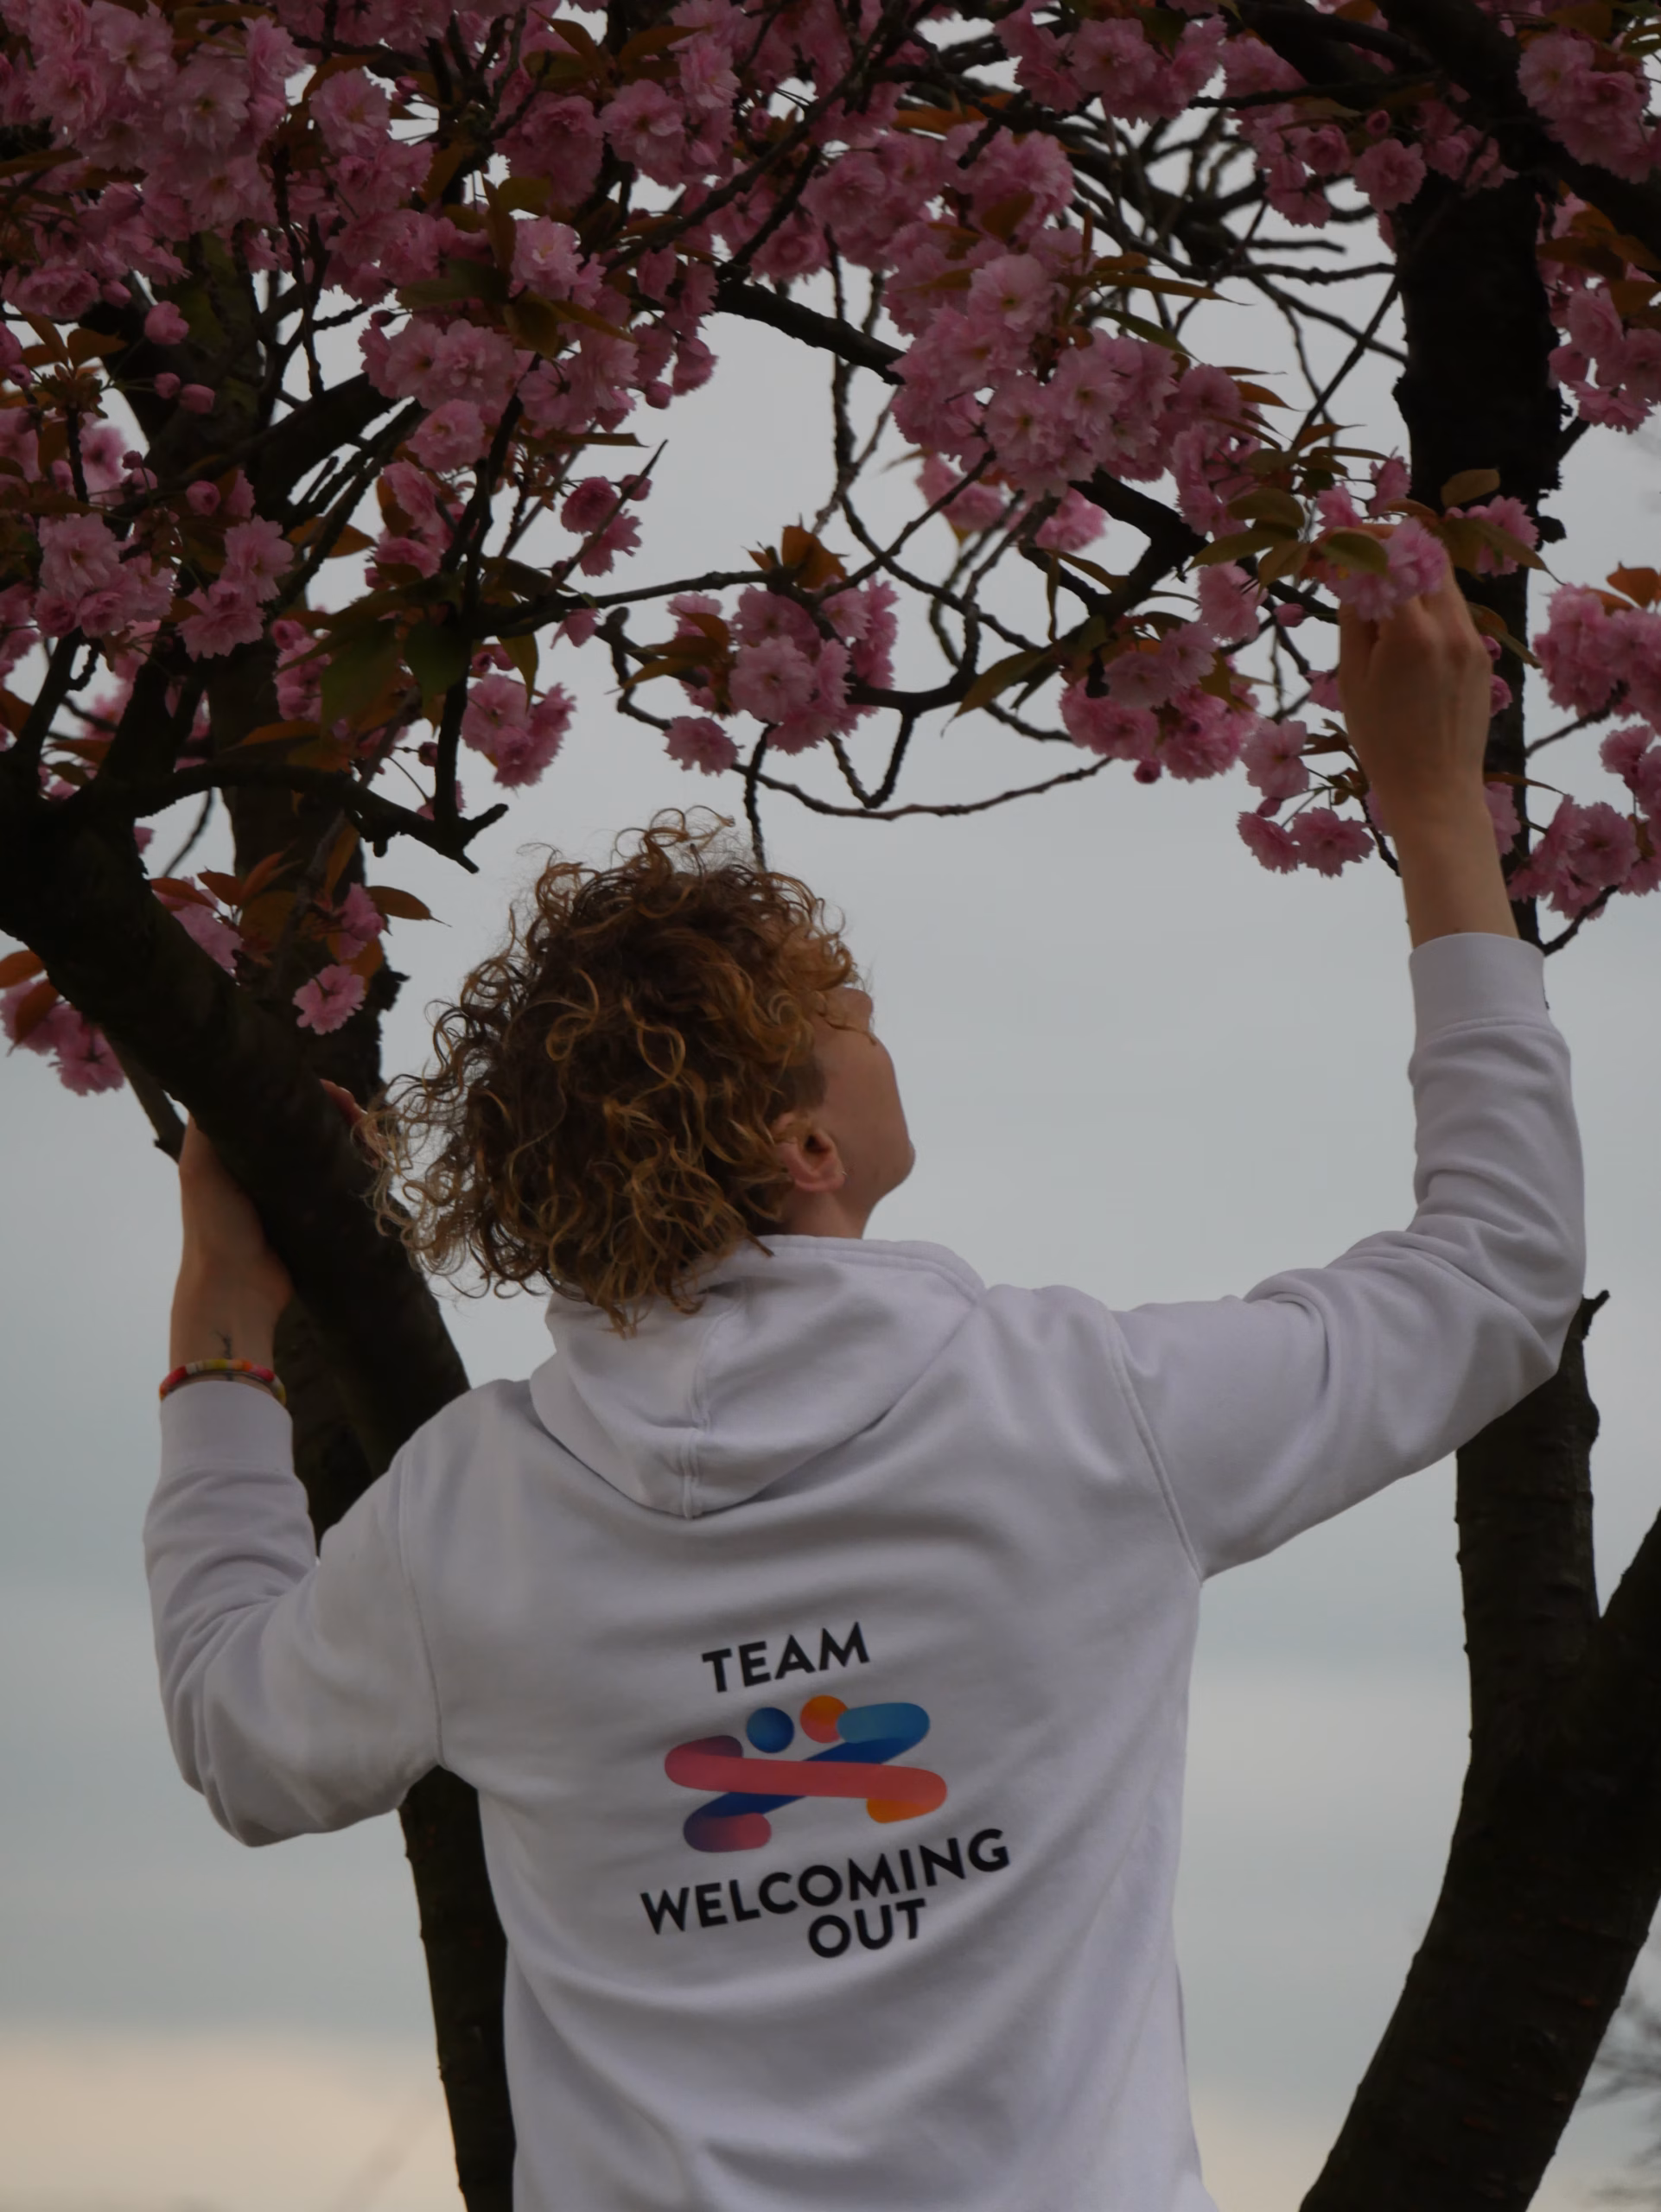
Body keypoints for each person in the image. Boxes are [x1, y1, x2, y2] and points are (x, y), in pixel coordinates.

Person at [147, 557, 1584, 2212]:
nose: (881, 1024)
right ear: (807, 1146)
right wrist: (1436, 813)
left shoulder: (467, 1517)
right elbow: (1496, 1275)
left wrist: (219, 1335)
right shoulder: (1084, 1414)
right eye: (851, 1017)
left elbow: (240, 1744)